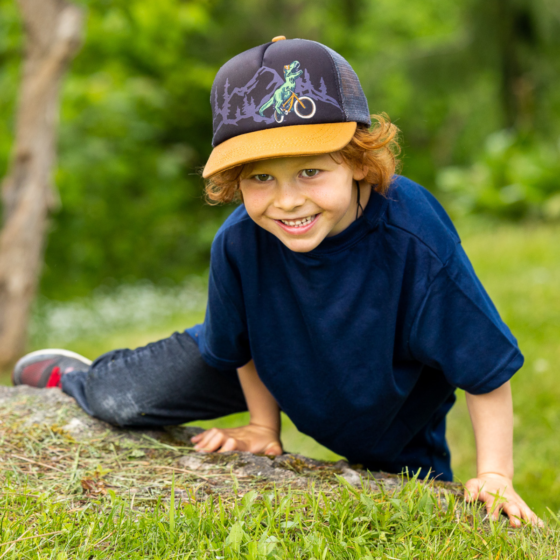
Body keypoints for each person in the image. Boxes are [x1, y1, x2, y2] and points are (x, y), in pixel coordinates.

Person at [13, 36, 539, 526]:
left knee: (411, 497)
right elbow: (240, 345)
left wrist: (494, 474)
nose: (287, 200)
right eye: (261, 178)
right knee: (119, 400)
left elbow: (485, 368)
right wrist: (264, 428)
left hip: (381, 381)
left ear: (358, 160)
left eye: (310, 171)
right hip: (269, 352)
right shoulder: (239, 240)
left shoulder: (413, 235)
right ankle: (74, 378)